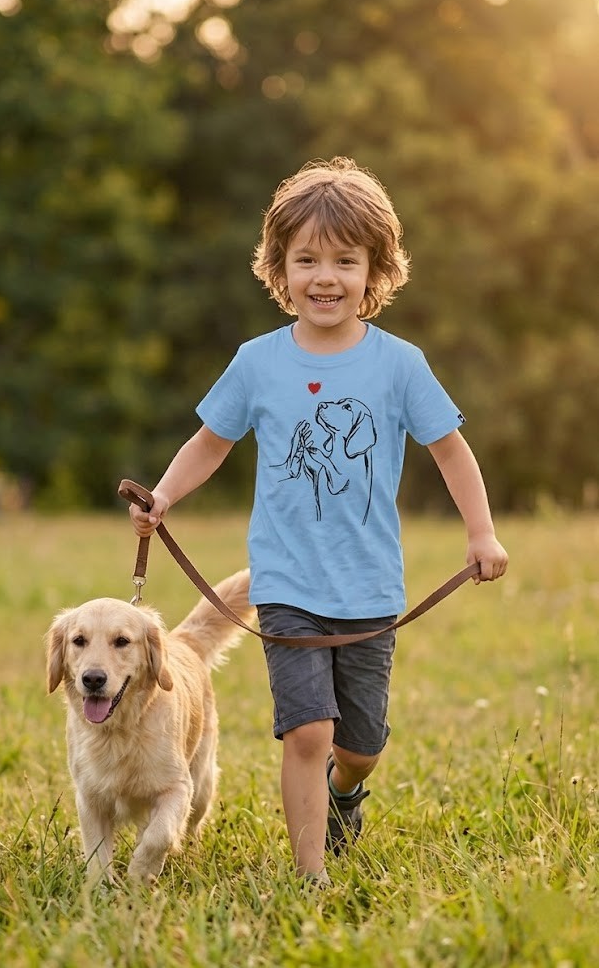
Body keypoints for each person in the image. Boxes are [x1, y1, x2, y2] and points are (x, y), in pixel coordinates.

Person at [129, 157, 508, 884]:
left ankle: (346, 791)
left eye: (344, 259)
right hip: (289, 583)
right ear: (280, 268)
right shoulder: (257, 362)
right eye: (306, 259)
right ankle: (312, 878)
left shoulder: (400, 365)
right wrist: (166, 495)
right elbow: (211, 440)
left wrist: (481, 532)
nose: (325, 276)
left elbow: (451, 450)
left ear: (376, 270)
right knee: (307, 730)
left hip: (369, 587)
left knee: (359, 742)